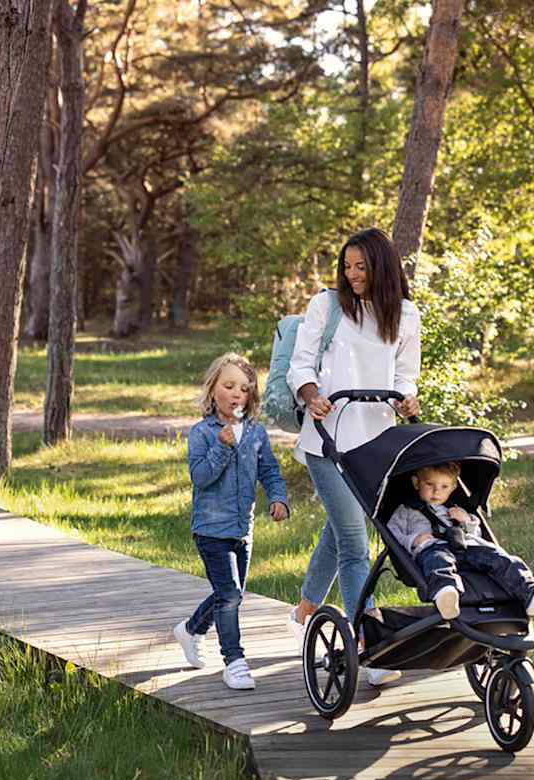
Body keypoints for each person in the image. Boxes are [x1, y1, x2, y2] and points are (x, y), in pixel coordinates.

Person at [286, 227, 421, 688]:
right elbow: (299, 364)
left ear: (381, 267)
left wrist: (406, 398)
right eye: (347, 266)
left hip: (375, 442)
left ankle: (307, 603)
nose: (352, 274)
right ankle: (371, 644)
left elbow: (406, 374)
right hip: (326, 437)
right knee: (353, 540)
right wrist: (311, 394)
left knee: (340, 527)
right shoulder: (326, 306)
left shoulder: (404, 314)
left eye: (361, 267)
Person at [174, 353, 290, 690]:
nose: (237, 393)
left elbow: (269, 470)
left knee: (231, 592)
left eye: (244, 388)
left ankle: (192, 629)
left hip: (243, 529)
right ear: (213, 391)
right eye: (228, 386)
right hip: (210, 530)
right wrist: (222, 447)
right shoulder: (202, 433)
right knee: (230, 596)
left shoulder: (256, 433)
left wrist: (278, 497)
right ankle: (234, 661)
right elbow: (201, 477)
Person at [385, 461, 534, 620]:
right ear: (416, 483)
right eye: (429, 484)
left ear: (454, 487)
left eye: (444, 487)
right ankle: (446, 593)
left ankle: (532, 593)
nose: (436, 491)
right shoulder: (406, 510)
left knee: (500, 557)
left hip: (466, 548)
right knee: (438, 561)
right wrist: (413, 539)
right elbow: (393, 532)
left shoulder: (456, 508)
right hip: (432, 548)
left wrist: (466, 521)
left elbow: (476, 535)